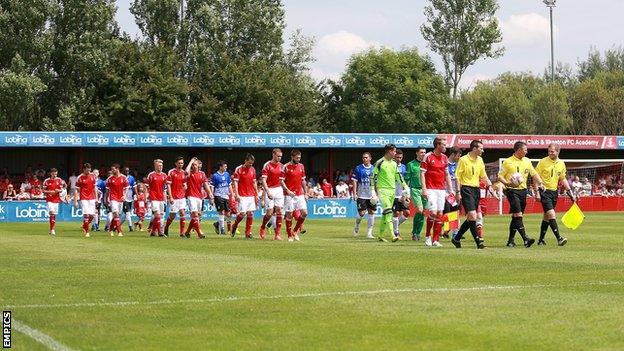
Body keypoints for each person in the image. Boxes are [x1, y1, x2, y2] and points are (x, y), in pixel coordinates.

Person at [498, 141, 545, 248]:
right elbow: (500, 176)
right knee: (518, 215)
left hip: (523, 191)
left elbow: (534, 174)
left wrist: (541, 183)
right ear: (519, 150)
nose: (527, 152)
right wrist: (507, 183)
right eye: (525, 150)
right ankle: (526, 239)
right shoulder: (507, 162)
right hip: (511, 190)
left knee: (516, 217)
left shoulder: (527, 161)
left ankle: (510, 241)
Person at [451, 140, 495, 249]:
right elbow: (457, 177)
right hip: (466, 189)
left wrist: (490, 187)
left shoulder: (480, 160)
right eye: (481, 148)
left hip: (476, 190)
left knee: (471, 217)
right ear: (474, 148)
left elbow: (483, 175)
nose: (483, 150)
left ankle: (456, 238)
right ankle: (478, 242)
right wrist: (457, 192)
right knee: (472, 215)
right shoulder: (463, 160)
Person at [535, 143, 576, 246]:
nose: (550, 153)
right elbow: (535, 177)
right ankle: (559, 238)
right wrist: (536, 192)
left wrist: (570, 192)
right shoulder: (542, 162)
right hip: (544, 191)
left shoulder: (561, 163)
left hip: (554, 192)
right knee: (552, 214)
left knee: (546, 217)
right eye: (549, 151)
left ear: (558, 152)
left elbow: (563, 179)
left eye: (552, 151)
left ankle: (541, 240)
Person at [421, 137, 455, 247]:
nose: (446, 147)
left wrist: (450, 190)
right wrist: (424, 189)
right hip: (430, 189)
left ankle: (435, 240)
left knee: (440, 214)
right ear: (438, 145)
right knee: (433, 213)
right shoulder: (428, 157)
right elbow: (422, 174)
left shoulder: (445, 158)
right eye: (444, 145)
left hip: (441, 190)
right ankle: (427, 237)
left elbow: (446, 174)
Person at [373, 144, 408, 242]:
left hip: (392, 191)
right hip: (382, 190)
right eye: (394, 151)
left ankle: (380, 235)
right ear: (389, 151)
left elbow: (399, 177)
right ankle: (393, 235)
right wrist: (372, 191)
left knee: (385, 214)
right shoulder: (379, 162)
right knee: (388, 211)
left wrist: (405, 186)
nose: (395, 153)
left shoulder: (394, 164)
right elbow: (373, 177)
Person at [282, 149, 308, 242]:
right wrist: (287, 191)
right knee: (289, 215)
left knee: (305, 213)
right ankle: (289, 236)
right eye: (297, 158)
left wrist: (306, 193)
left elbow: (303, 180)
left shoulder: (301, 166)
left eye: (300, 158)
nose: (298, 159)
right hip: (289, 195)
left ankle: (295, 231)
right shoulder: (286, 167)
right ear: (292, 157)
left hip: (299, 194)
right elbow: (281, 181)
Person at [231, 154, 259, 238]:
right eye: (249, 163)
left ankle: (248, 233)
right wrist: (236, 194)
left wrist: (256, 193)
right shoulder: (238, 169)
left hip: (251, 195)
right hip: (242, 195)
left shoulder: (253, 169)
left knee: (250, 214)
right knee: (242, 214)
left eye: (252, 163)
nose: (251, 165)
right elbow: (235, 182)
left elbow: (254, 182)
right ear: (246, 161)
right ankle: (234, 225)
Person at [259, 148, 285, 240]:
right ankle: (262, 227)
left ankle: (277, 234)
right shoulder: (267, 165)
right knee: (269, 214)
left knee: (279, 211)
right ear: (273, 155)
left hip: (279, 189)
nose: (279, 158)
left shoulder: (282, 166)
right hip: (269, 189)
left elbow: (282, 180)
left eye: (281, 156)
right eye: (278, 156)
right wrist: (267, 191)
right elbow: (263, 180)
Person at [184, 157, 213, 238]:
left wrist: (210, 193)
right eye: (193, 165)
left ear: (198, 165)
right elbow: (186, 171)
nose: (194, 166)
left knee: (197, 216)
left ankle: (187, 232)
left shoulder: (202, 174)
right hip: (191, 196)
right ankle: (199, 233)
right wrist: (191, 161)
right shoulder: (189, 173)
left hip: (199, 197)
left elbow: (205, 184)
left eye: (195, 165)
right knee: (195, 215)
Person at [351, 152, 376, 239]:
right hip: (361, 195)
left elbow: (377, 182)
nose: (364, 159)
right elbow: (354, 181)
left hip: (371, 195)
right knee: (361, 213)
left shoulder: (374, 168)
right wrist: (354, 193)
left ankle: (369, 233)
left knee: (371, 212)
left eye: (366, 157)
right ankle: (357, 226)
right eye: (363, 158)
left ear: (370, 158)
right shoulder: (358, 168)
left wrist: (377, 194)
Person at [405, 147, 427, 241]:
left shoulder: (427, 164)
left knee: (423, 213)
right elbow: (407, 179)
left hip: (425, 190)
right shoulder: (410, 164)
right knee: (419, 210)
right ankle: (414, 232)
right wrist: (406, 193)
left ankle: (417, 233)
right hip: (415, 190)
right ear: (417, 153)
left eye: (425, 152)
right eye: (421, 152)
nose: (423, 154)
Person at [165, 157, 188, 237]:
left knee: (182, 213)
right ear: (176, 163)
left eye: (182, 163)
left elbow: (184, 184)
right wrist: (170, 196)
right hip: (174, 197)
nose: (181, 164)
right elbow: (168, 185)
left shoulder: (183, 173)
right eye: (179, 163)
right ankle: (166, 227)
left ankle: (182, 233)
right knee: (172, 215)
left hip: (182, 197)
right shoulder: (171, 172)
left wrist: (185, 187)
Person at [443, 147, 462, 239]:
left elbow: (458, 179)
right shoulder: (444, 163)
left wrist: (458, 192)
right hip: (444, 192)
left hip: (454, 192)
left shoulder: (458, 165)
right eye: (458, 155)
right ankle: (443, 230)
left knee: (455, 211)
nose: (459, 157)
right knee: (446, 213)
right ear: (453, 154)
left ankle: (454, 232)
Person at [106, 164, 129, 237]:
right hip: (113, 198)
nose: (112, 171)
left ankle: (110, 229)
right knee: (115, 214)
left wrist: (125, 195)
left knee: (117, 216)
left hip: (121, 199)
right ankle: (119, 231)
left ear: (117, 169)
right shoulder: (110, 179)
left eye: (113, 169)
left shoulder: (124, 177)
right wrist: (107, 199)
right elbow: (107, 190)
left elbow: (127, 187)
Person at [75, 163, 97, 237]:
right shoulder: (79, 177)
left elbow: (94, 188)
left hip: (92, 198)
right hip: (83, 198)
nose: (89, 171)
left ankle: (84, 225)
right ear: (84, 169)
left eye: (90, 169)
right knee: (86, 214)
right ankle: (87, 232)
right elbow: (77, 190)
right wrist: (75, 201)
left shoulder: (93, 176)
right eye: (88, 170)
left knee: (92, 216)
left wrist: (96, 198)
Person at [211, 161, 233, 235]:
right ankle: (222, 229)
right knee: (221, 212)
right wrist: (211, 195)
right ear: (221, 167)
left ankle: (217, 224)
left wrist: (232, 194)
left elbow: (229, 185)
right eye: (225, 166)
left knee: (228, 214)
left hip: (226, 196)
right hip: (218, 195)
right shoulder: (215, 175)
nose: (226, 168)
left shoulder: (227, 174)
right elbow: (212, 186)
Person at [392, 149, 410, 241]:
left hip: (402, 194)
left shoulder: (403, 167)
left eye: (401, 157)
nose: (399, 159)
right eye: (397, 157)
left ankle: (393, 226)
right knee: (396, 213)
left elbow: (405, 180)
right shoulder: (391, 166)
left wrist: (406, 193)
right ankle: (396, 232)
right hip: (393, 194)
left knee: (407, 213)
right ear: (394, 157)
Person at [146, 159, 168, 237]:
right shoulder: (151, 175)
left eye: (161, 165)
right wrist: (146, 197)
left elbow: (165, 189)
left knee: (161, 216)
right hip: (154, 198)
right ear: (155, 165)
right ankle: (160, 232)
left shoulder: (164, 175)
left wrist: (166, 199)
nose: (160, 167)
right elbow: (146, 187)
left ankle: (153, 231)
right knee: (157, 215)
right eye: (159, 165)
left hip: (161, 199)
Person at [43, 168, 66, 236]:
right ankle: (52, 230)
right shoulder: (46, 181)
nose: (55, 175)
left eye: (56, 174)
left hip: (56, 200)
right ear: (51, 173)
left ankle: (51, 229)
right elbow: (43, 191)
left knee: (54, 215)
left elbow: (61, 190)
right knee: (52, 213)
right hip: (49, 200)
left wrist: (57, 191)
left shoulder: (59, 180)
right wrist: (50, 192)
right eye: (53, 174)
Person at [121, 167, 136, 232]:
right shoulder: (121, 177)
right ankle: (130, 227)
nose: (127, 172)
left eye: (128, 171)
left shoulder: (131, 178)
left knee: (125, 214)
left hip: (130, 198)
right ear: (123, 171)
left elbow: (134, 187)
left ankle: (116, 226)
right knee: (128, 212)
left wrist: (136, 195)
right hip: (124, 198)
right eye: (125, 171)